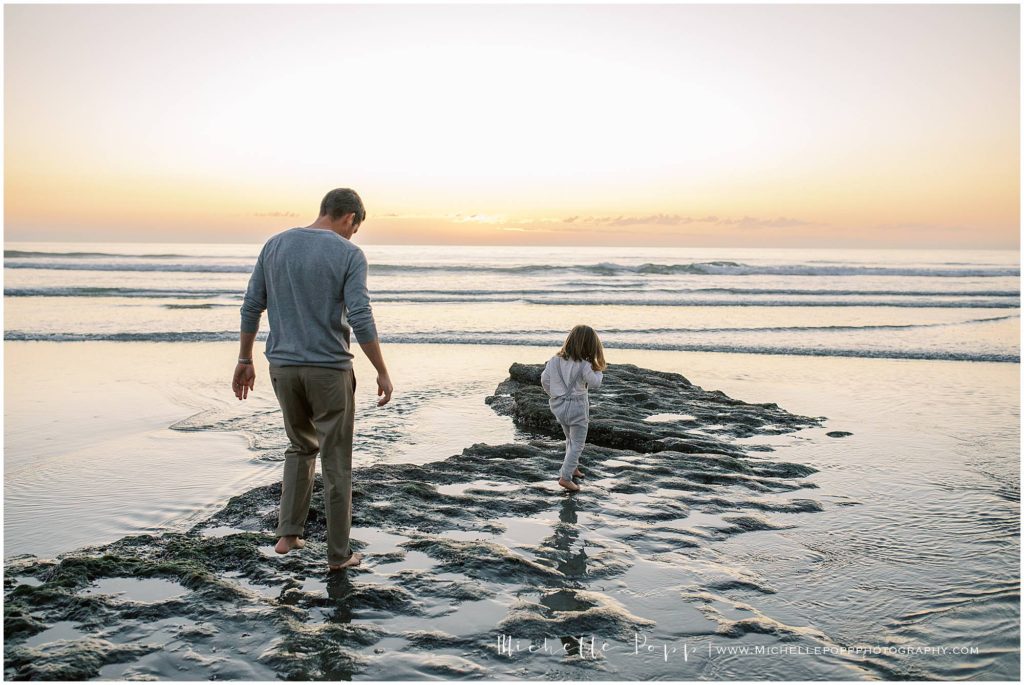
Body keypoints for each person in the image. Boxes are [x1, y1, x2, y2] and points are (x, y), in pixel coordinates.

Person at [232, 187, 393, 572]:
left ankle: (289, 534)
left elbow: (252, 304)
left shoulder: (275, 245)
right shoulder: (348, 253)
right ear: (350, 218)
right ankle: (338, 555)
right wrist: (381, 369)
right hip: (329, 370)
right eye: (354, 228)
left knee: (300, 446)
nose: (352, 235)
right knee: (337, 462)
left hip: (282, 368)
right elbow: (360, 314)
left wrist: (244, 358)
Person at [540, 324, 607, 492]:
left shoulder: (554, 360)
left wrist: (555, 394)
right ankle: (565, 477)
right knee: (577, 443)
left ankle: (572, 467)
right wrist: (599, 372)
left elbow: (544, 381)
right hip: (577, 406)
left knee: (570, 438)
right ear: (590, 346)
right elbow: (595, 383)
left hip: (559, 405)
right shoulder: (584, 364)